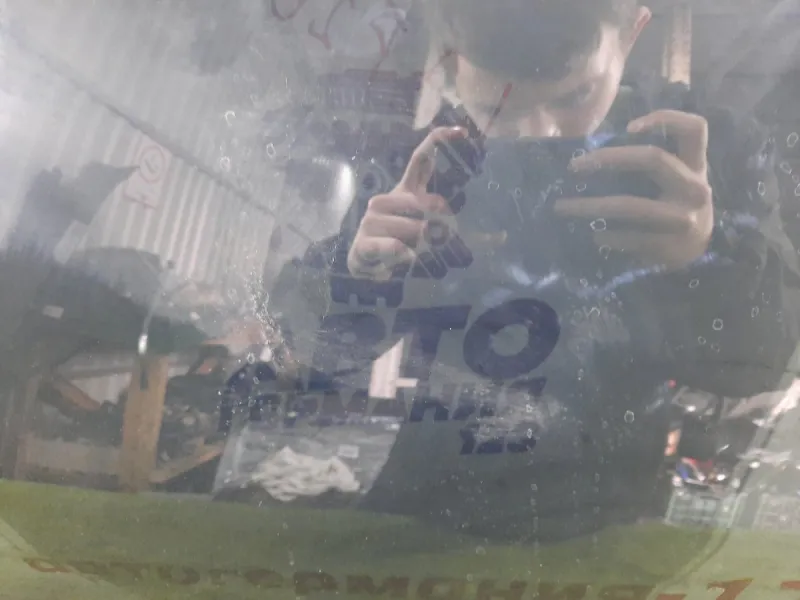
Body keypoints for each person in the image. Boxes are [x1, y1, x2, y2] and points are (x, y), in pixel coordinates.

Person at [260, 0, 800, 543]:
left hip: (607, 518)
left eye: (574, 97)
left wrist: (709, 257)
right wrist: (359, 275)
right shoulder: (425, 165)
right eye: (499, 105)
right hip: (441, 505)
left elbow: (768, 367)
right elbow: (309, 358)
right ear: (450, 62)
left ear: (631, 36)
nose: (541, 131)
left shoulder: (702, 151)